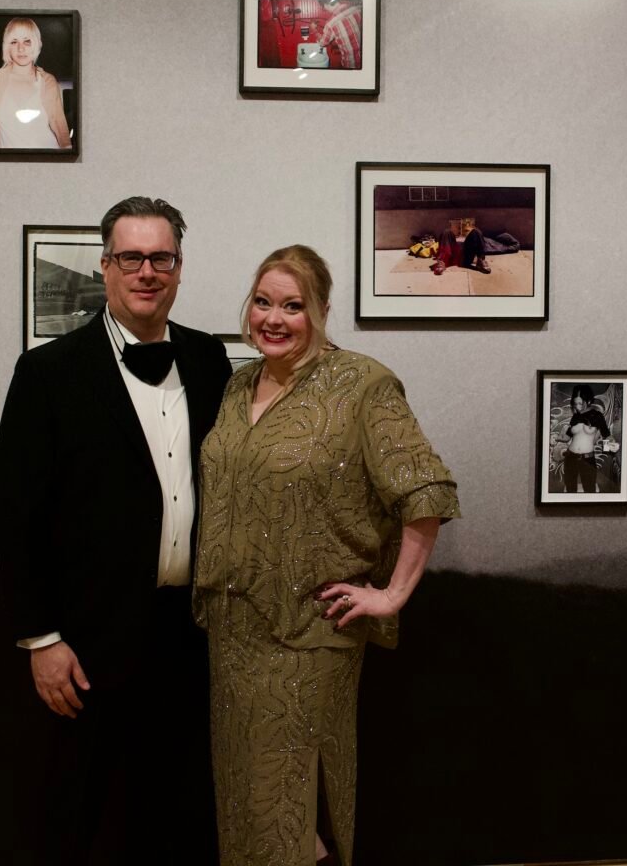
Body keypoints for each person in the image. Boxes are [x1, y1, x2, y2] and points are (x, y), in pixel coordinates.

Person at [192, 245, 460, 866]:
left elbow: (426, 489)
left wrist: (390, 594)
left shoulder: (362, 383)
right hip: (232, 635)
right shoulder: (238, 385)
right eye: (263, 302)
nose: (274, 318)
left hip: (310, 633)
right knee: (246, 796)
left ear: (321, 311)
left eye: (293, 306)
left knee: (284, 797)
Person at [0, 196, 231, 865]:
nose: (146, 271)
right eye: (131, 257)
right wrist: (42, 637)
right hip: (88, 643)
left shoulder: (210, 359)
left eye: (161, 257)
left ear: (180, 268)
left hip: (192, 633)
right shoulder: (47, 372)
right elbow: (17, 513)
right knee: (77, 817)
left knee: (175, 813)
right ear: (105, 267)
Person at [0, 17, 71, 149]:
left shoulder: (48, 81)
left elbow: (61, 127)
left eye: (27, 41)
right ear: (7, 46)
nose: (21, 49)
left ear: (37, 44)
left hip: (49, 161)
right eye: (14, 42)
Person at [562, 385, 617, 495]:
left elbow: (607, 435)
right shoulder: (575, 417)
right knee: (570, 489)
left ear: (589, 400)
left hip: (587, 459)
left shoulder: (597, 416)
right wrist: (557, 438)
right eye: (575, 403)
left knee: (589, 489)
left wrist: (612, 444)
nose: (578, 407)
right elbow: (567, 437)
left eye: (581, 403)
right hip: (570, 457)